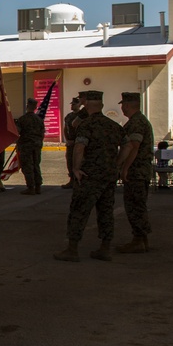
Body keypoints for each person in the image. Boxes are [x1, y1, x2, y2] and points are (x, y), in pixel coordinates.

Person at [54, 91, 125, 262]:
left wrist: (75, 168)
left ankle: (72, 249)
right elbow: (128, 145)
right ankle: (105, 248)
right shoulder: (113, 126)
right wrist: (117, 164)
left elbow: (79, 147)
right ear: (102, 105)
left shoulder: (86, 125)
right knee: (106, 211)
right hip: (108, 175)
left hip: (89, 175)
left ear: (86, 106)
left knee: (79, 210)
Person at [115, 92, 154, 253]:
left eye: (123, 105)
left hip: (136, 171)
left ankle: (138, 240)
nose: (122, 108)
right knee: (137, 205)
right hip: (139, 170)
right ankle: (142, 240)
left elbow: (134, 147)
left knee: (134, 206)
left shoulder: (137, 123)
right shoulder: (138, 121)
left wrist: (124, 168)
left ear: (127, 106)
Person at [15, 97, 46, 195]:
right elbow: (42, 133)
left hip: (26, 146)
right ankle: (38, 186)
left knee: (27, 166)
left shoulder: (22, 119)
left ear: (27, 106)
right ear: (35, 107)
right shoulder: (39, 120)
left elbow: (17, 132)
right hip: (37, 145)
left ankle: (31, 187)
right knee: (36, 165)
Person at [61, 94, 86, 188]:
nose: (72, 106)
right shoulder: (69, 116)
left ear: (79, 105)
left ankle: (78, 181)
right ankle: (72, 180)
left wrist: (75, 141)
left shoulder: (81, 116)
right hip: (70, 143)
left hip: (78, 142)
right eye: (71, 104)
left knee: (79, 162)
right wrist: (67, 140)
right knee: (70, 161)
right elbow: (65, 128)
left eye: (74, 104)